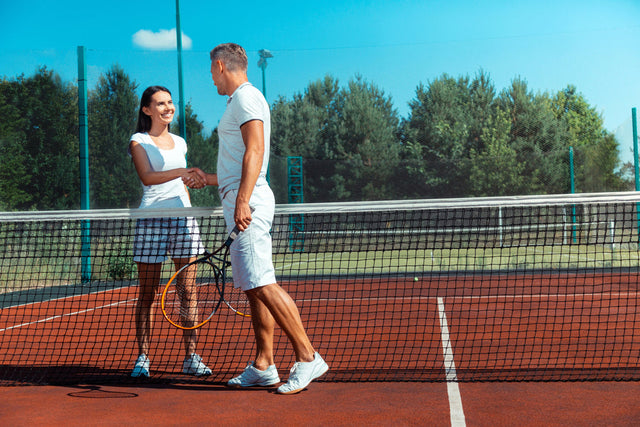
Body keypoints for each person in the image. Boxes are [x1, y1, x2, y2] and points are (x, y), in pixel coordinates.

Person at [188, 43, 328, 394]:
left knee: (263, 282)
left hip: (248, 201)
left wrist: (243, 200)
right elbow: (240, 160)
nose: (212, 78)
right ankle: (264, 364)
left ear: (220, 66)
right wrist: (210, 180)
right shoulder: (237, 101)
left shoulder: (246, 98)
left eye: (211, 71)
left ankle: (309, 357)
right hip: (239, 196)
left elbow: (256, 150)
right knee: (254, 289)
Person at [128, 85, 212, 378]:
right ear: (147, 110)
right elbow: (148, 178)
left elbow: (184, 181)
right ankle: (143, 358)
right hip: (151, 219)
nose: (168, 107)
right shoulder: (138, 141)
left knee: (188, 291)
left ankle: (191, 357)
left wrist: (195, 182)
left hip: (183, 219)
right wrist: (181, 172)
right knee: (148, 293)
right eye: (161, 103)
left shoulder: (180, 142)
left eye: (170, 102)